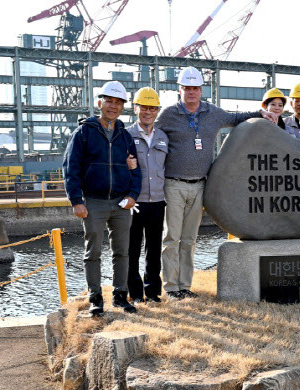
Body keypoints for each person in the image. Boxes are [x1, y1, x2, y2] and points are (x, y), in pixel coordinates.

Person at [154, 66, 277, 300]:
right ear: (180, 90)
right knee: (171, 238)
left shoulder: (212, 113)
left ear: (201, 90)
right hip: (173, 184)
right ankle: (170, 287)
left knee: (189, 239)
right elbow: (151, 135)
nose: (191, 92)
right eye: (187, 88)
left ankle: (184, 286)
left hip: (200, 185)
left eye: (195, 88)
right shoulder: (168, 114)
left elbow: (235, 118)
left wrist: (261, 113)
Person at [63, 80, 141, 315]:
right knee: (93, 252)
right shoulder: (84, 133)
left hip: (121, 203)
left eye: (118, 103)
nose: (113, 106)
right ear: (100, 103)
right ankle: (95, 299)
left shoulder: (125, 136)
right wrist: (76, 200)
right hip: (94, 202)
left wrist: (132, 195)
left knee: (122, 251)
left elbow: (136, 169)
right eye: (109, 101)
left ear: (122, 107)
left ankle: (120, 296)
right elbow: (70, 168)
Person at [126, 87, 168, 304]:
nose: (148, 112)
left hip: (158, 201)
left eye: (152, 108)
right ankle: (135, 293)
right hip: (134, 201)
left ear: (157, 111)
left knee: (154, 249)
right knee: (132, 249)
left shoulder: (162, 137)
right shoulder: (126, 135)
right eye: (144, 107)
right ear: (136, 108)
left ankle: (152, 292)